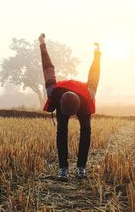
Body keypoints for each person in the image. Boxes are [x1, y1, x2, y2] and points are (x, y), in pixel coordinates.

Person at [39, 34, 101, 181]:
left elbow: (94, 73)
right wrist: (42, 45)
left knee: (86, 131)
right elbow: (48, 67)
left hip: (82, 100)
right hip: (63, 97)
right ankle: (63, 169)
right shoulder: (53, 91)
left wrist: (97, 53)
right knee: (61, 131)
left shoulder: (88, 94)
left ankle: (81, 168)